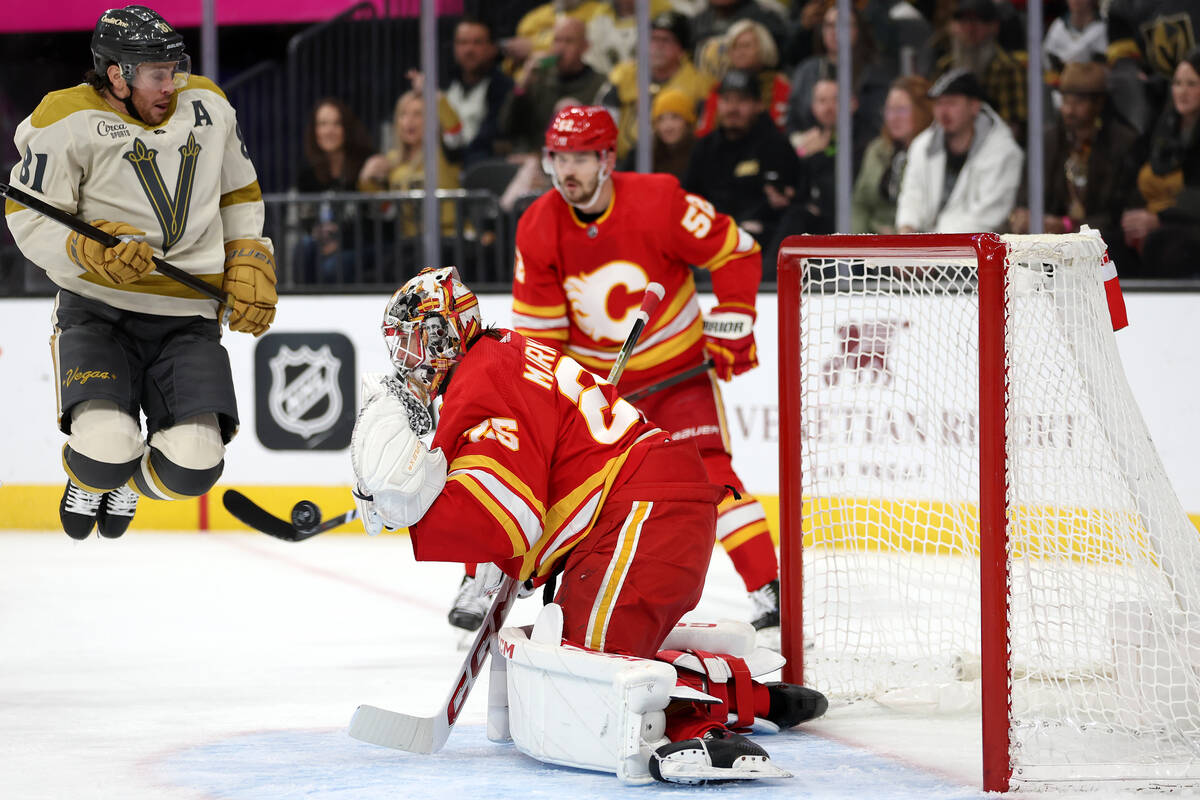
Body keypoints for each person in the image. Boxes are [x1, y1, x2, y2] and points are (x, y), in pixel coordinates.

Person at [349, 266, 827, 783]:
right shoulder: (503, 352)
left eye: (418, 340)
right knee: (568, 655)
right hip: (646, 514)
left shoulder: (482, 377)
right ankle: (746, 696)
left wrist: (410, 515)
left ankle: (698, 732)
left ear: (448, 332)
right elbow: (536, 496)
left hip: (643, 519)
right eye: (401, 345)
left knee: (588, 677)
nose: (408, 358)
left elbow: (507, 519)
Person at [510, 106, 785, 638]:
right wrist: (553, 406)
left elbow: (738, 251)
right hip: (601, 393)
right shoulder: (539, 224)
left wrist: (734, 314)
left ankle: (768, 587)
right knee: (569, 488)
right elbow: (543, 340)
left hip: (678, 374)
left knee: (709, 471)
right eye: (559, 158)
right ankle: (513, 572)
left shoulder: (660, 200)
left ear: (608, 159)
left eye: (581, 159)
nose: (569, 171)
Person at [6, 5, 276, 540]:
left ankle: (127, 487)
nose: (171, 83)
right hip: (99, 310)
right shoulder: (63, 118)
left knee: (195, 467)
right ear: (117, 75)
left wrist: (248, 252)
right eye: (157, 73)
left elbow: (238, 190)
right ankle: (97, 480)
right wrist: (88, 249)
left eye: (176, 68)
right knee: (104, 453)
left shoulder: (208, 105)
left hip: (187, 316)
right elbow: (28, 217)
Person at [1008, 62, 1141, 268]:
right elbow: (1025, 198)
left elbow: (1119, 215)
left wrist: (1068, 226)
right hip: (1049, 244)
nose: (1069, 110)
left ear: (1099, 103)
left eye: (1078, 102)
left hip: (1102, 247)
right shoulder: (1046, 142)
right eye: (1065, 101)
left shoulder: (1124, 143)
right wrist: (1023, 216)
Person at [683, 69, 801, 248]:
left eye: (742, 100)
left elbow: (783, 203)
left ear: (759, 105)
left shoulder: (776, 145)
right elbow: (689, 196)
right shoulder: (705, 147)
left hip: (759, 239)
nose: (732, 108)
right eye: (726, 100)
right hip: (711, 236)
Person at [895, 68, 1023, 233]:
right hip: (926, 249)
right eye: (939, 103)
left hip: (979, 253)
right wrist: (906, 230)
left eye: (952, 103)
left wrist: (932, 244)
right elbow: (911, 197)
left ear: (974, 106)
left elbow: (988, 217)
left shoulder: (1003, 151)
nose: (944, 111)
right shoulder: (922, 145)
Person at [1119, 47, 1200, 278]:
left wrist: (1158, 220)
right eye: (1177, 83)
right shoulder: (1161, 128)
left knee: (1163, 245)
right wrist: (1133, 217)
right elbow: (1133, 175)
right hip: (1154, 220)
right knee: (1108, 244)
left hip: (1188, 225)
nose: (1182, 92)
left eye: (1192, 84)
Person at [603, 11, 713, 159]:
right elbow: (604, 120)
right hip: (621, 162)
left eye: (666, 40)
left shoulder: (698, 84)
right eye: (653, 39)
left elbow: (703, 132)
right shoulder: (624, 74)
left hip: (673, 162)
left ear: (682, 49)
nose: (659, 46)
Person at [294, 97, 376, 284]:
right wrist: (321, 235)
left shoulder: (366, 164)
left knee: (332, 267)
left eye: (336, 124)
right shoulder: (308, 173)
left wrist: (340, 241)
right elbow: (306, 219)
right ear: (315, 131)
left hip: (359, 246)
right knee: (304, 247)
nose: (328, 131)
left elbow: (373, 223)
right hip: (323, 245)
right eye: (322, 124)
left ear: (346, 128)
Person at [499, 16, 609, 155]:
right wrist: (523, 86)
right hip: (534, 158)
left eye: (569, 41)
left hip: (578, 160)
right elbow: (508, 127)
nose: (560, 48)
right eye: (557, 40)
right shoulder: (539, 78)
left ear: (584, 46)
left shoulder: (600, 84)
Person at [928, 0, 1027, 139]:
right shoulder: (945, 67)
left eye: (977, 21)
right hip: (949, 145)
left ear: (994, 26)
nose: (970, 29)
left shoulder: (1007, 68)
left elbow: (1013, 126)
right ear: (954, 27)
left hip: (994, 147)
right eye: (963, 21)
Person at [852, 75, 934, 234]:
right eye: (889, 109)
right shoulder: (877, 149)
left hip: (915, 243)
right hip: (872, 242)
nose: (893, 117)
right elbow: (860, 203)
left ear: (922, 111)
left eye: (901, 110)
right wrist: (856, 246)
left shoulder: (933, 152)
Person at [694, 19, 792, 137]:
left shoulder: (780, 85)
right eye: (734, 47)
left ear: (763, 48)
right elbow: (705, 132)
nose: (740, 52)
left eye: (746, 46)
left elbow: (781, 129)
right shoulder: (719, 88)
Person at [439, 17, 515, 168]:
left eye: (477, 42)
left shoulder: (504, 88)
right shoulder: (444, 84)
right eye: (463, 43)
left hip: (482, 169)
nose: (469, 50)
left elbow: (489, 140)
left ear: (493, 48)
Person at [616, 88, 698, 179]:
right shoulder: (643, 153)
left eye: (675, 117)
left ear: (688, 122)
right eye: (661, 119)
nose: (668, 126)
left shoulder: (701, 154)